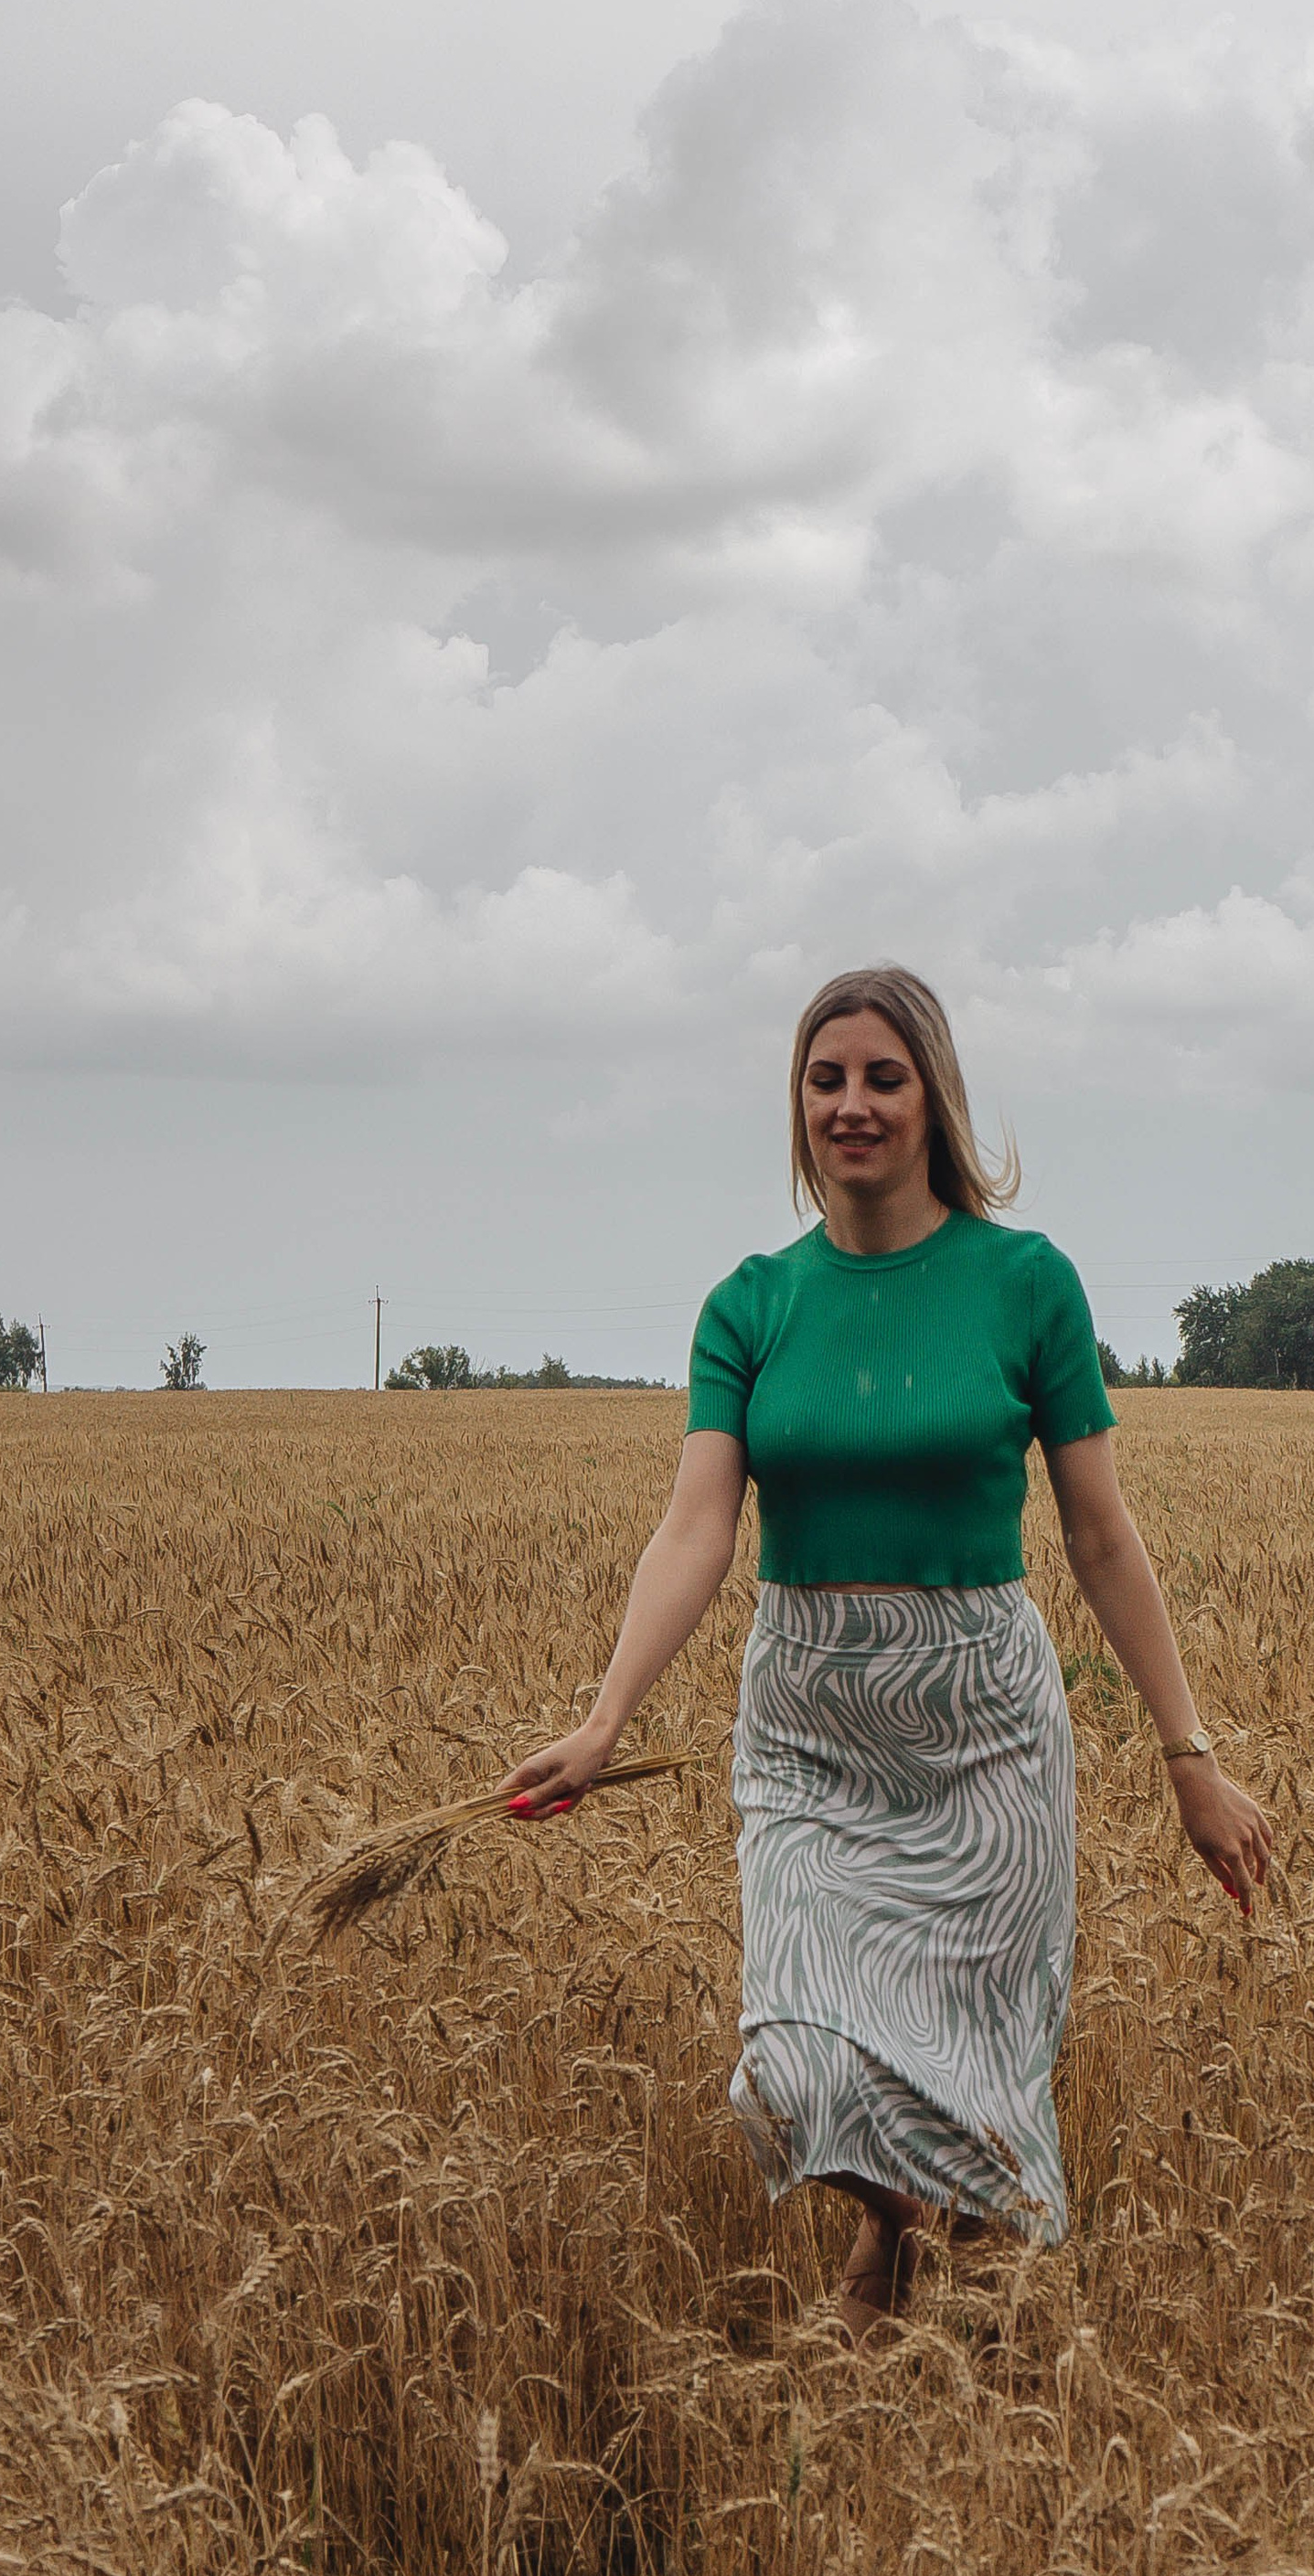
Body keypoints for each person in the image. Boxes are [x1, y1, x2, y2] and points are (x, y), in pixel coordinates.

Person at [504, 965, 1271, 2340]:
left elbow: (1101, 1538)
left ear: (933, 1101)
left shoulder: (1024, 1284)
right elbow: (694, 1530)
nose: (851, 1105)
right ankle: (892, 2226)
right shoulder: (751, 1306)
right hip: (809, 1727)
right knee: (795, 2066)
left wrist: (1188, 1755)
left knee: (980, 2080)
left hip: (984, 1728)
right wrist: (606, 1716)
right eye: (825, 1080)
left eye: (882, 1078)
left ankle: (943, 2342)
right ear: (797, 1109)